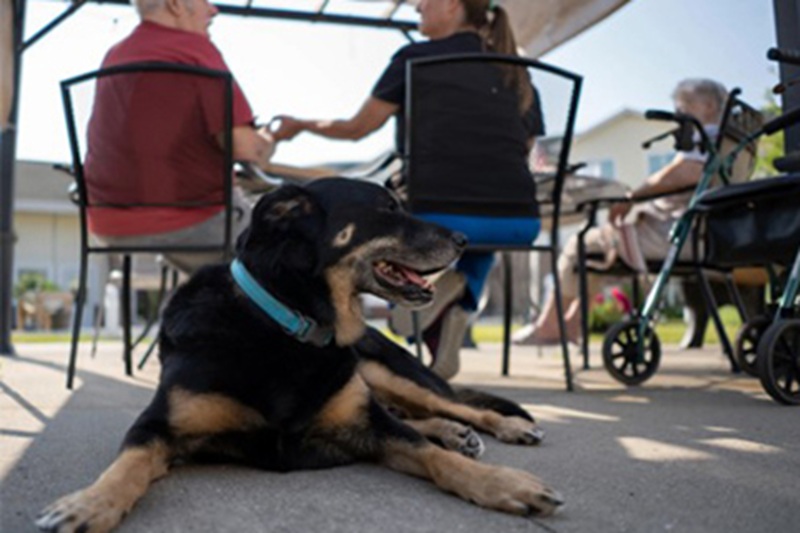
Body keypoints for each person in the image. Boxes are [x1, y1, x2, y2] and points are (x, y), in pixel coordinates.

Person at [272, 0, 544, 380]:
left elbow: (357, 128)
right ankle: (459, 300)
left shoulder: (416, 59)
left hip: (437, 214)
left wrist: (300, 125)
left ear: (451, 6)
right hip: (521, 221)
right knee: (476, 231)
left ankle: (412, 299)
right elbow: (523, 148)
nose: (417, 5)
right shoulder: (516, 71)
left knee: (386, 225)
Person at [513, 78, 728, 345]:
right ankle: (568, 324)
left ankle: (549, 327)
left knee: (581, 244)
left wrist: (632, 197)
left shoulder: (704, 136)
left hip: (676, 235)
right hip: (702, 232)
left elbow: (689, 171)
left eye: (683, 107)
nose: (678, 115)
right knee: (593, 257)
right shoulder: (729, 140)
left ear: (708, 106)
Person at [84, 0, 276, 275]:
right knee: (294, 248)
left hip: (109, 223)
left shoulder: (116, 55)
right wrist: (269, 138)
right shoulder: (192, 50)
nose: (214, 10)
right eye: (205, 1)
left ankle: (195, 311)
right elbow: (246, 149)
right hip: (192, 223)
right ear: (175, 4)